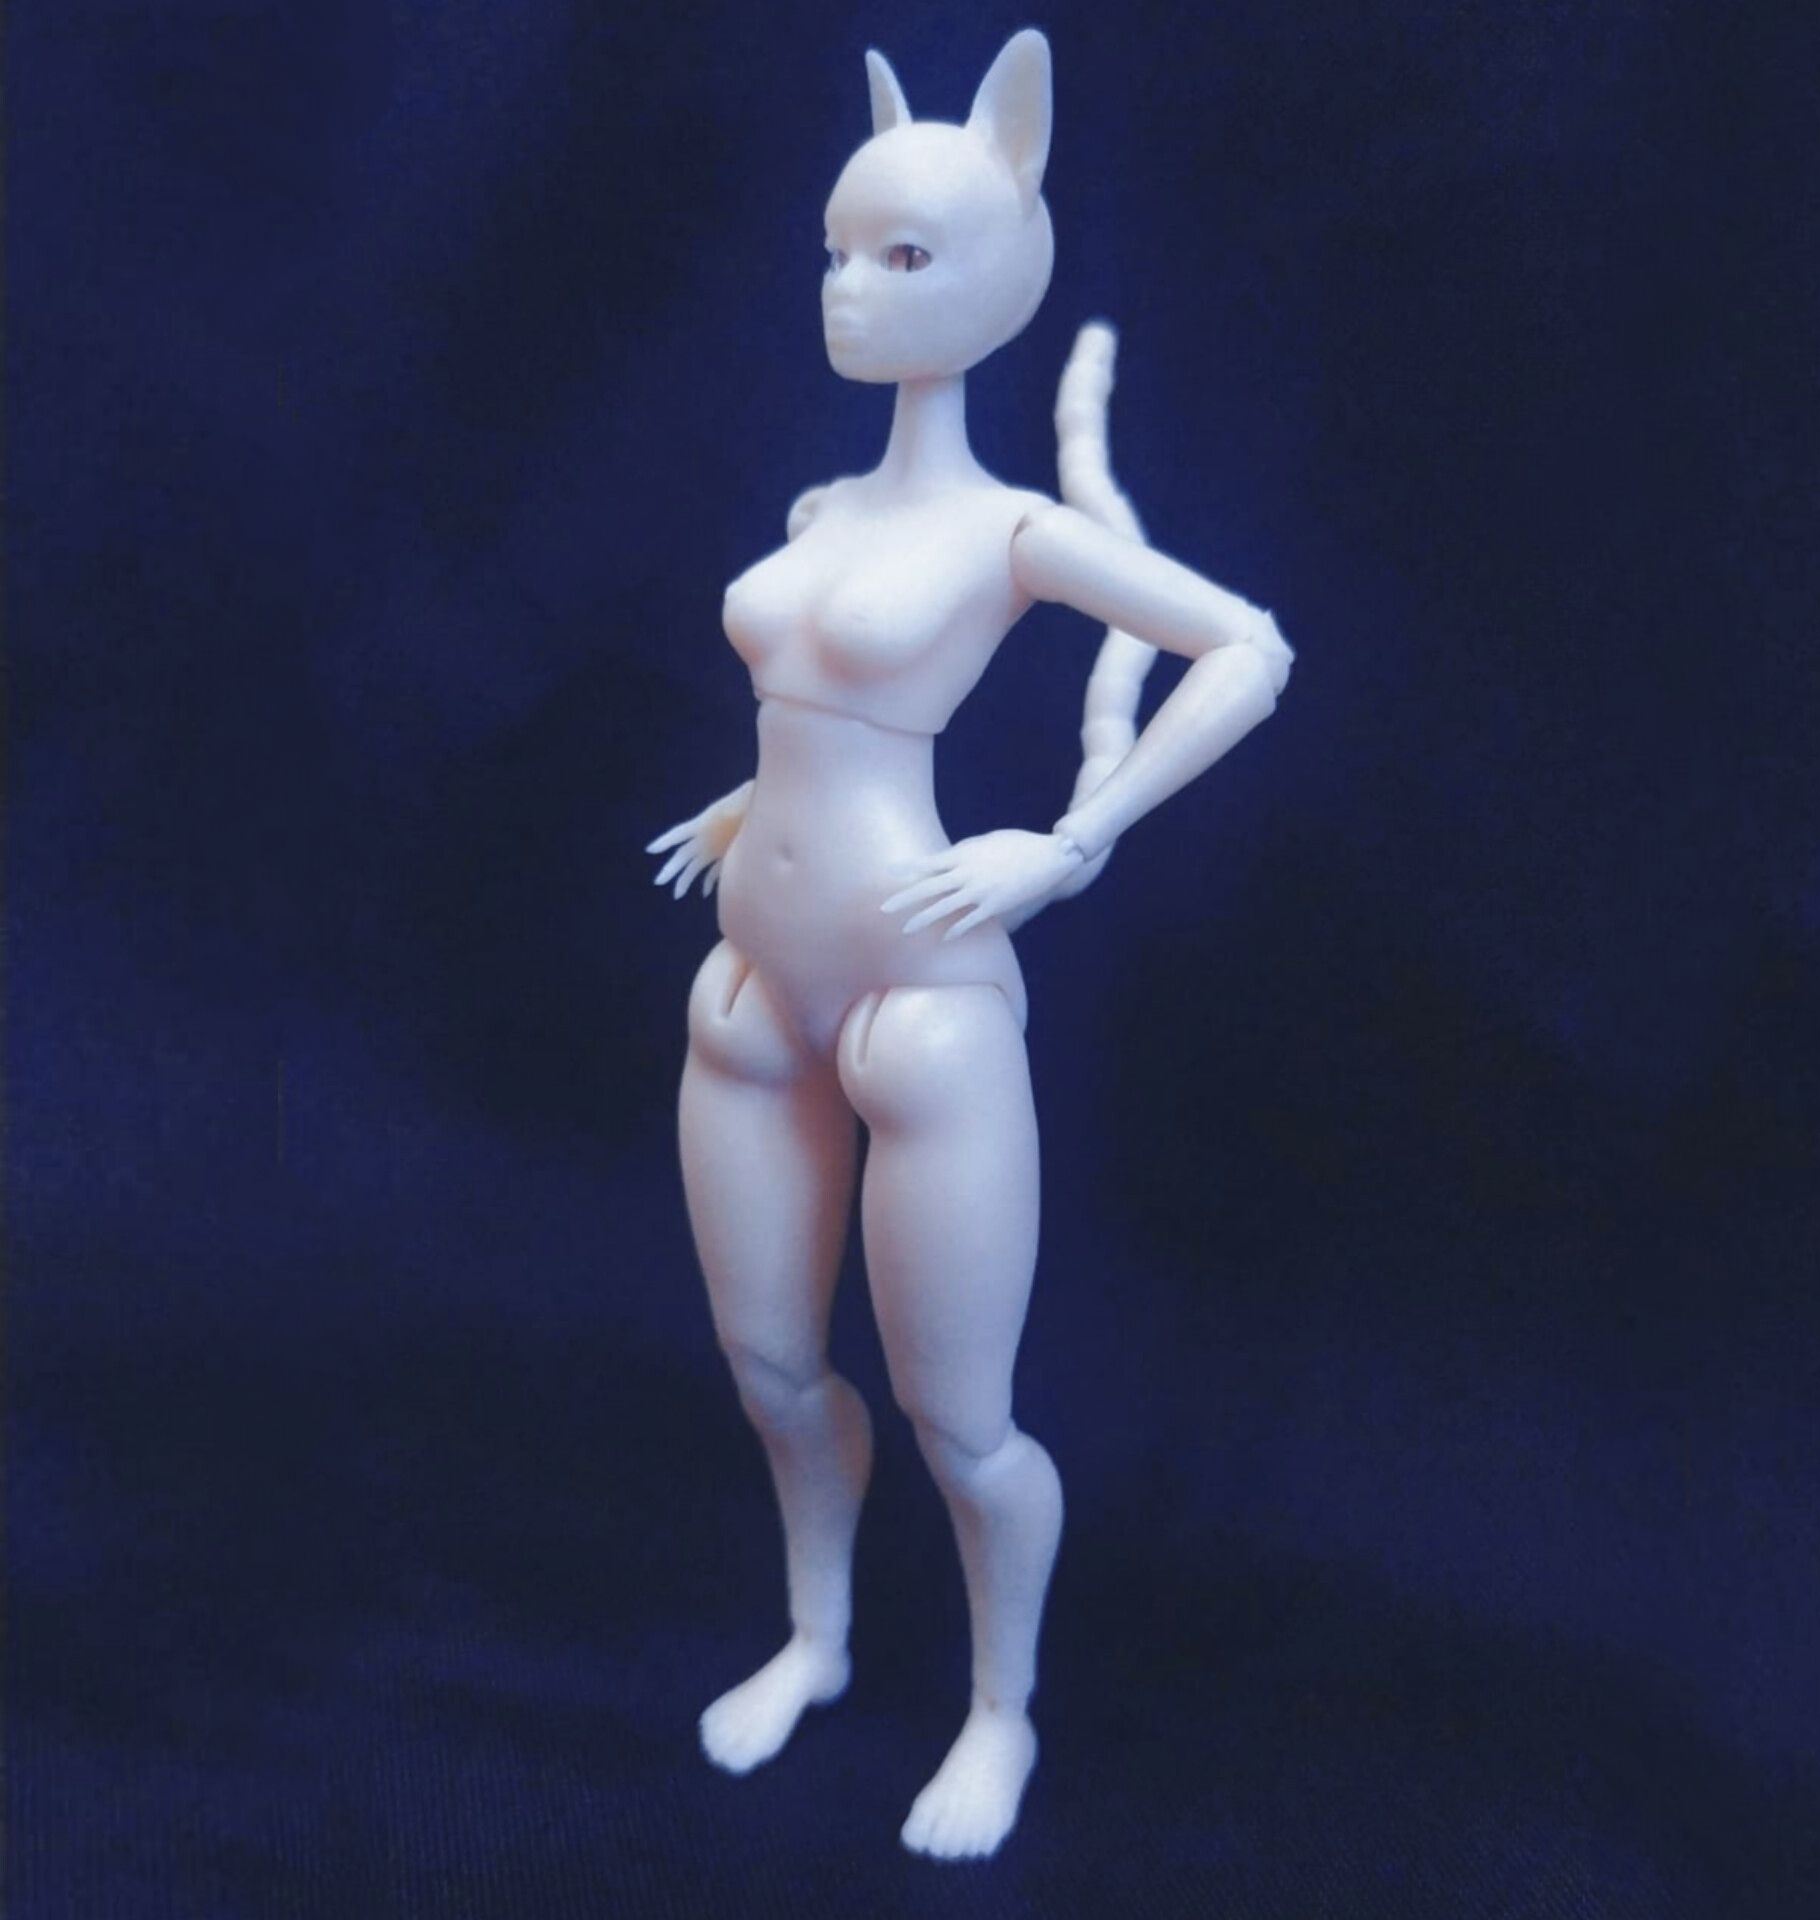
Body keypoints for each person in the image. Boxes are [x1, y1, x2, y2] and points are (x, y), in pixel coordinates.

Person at [648, 29, 1292, 1860]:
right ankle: (819, 1636)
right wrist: (746, 804)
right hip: (754, 990)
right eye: (839, 253)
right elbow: (811, 710)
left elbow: (1248, 647)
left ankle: (1002, 1710)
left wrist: (1071, 843)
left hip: (921, 1000)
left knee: (963, 1422)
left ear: (1004, 259)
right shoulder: (819, 513)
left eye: (903, 255)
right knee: (773, 1367)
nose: (848, 288)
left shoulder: (1014, 531)